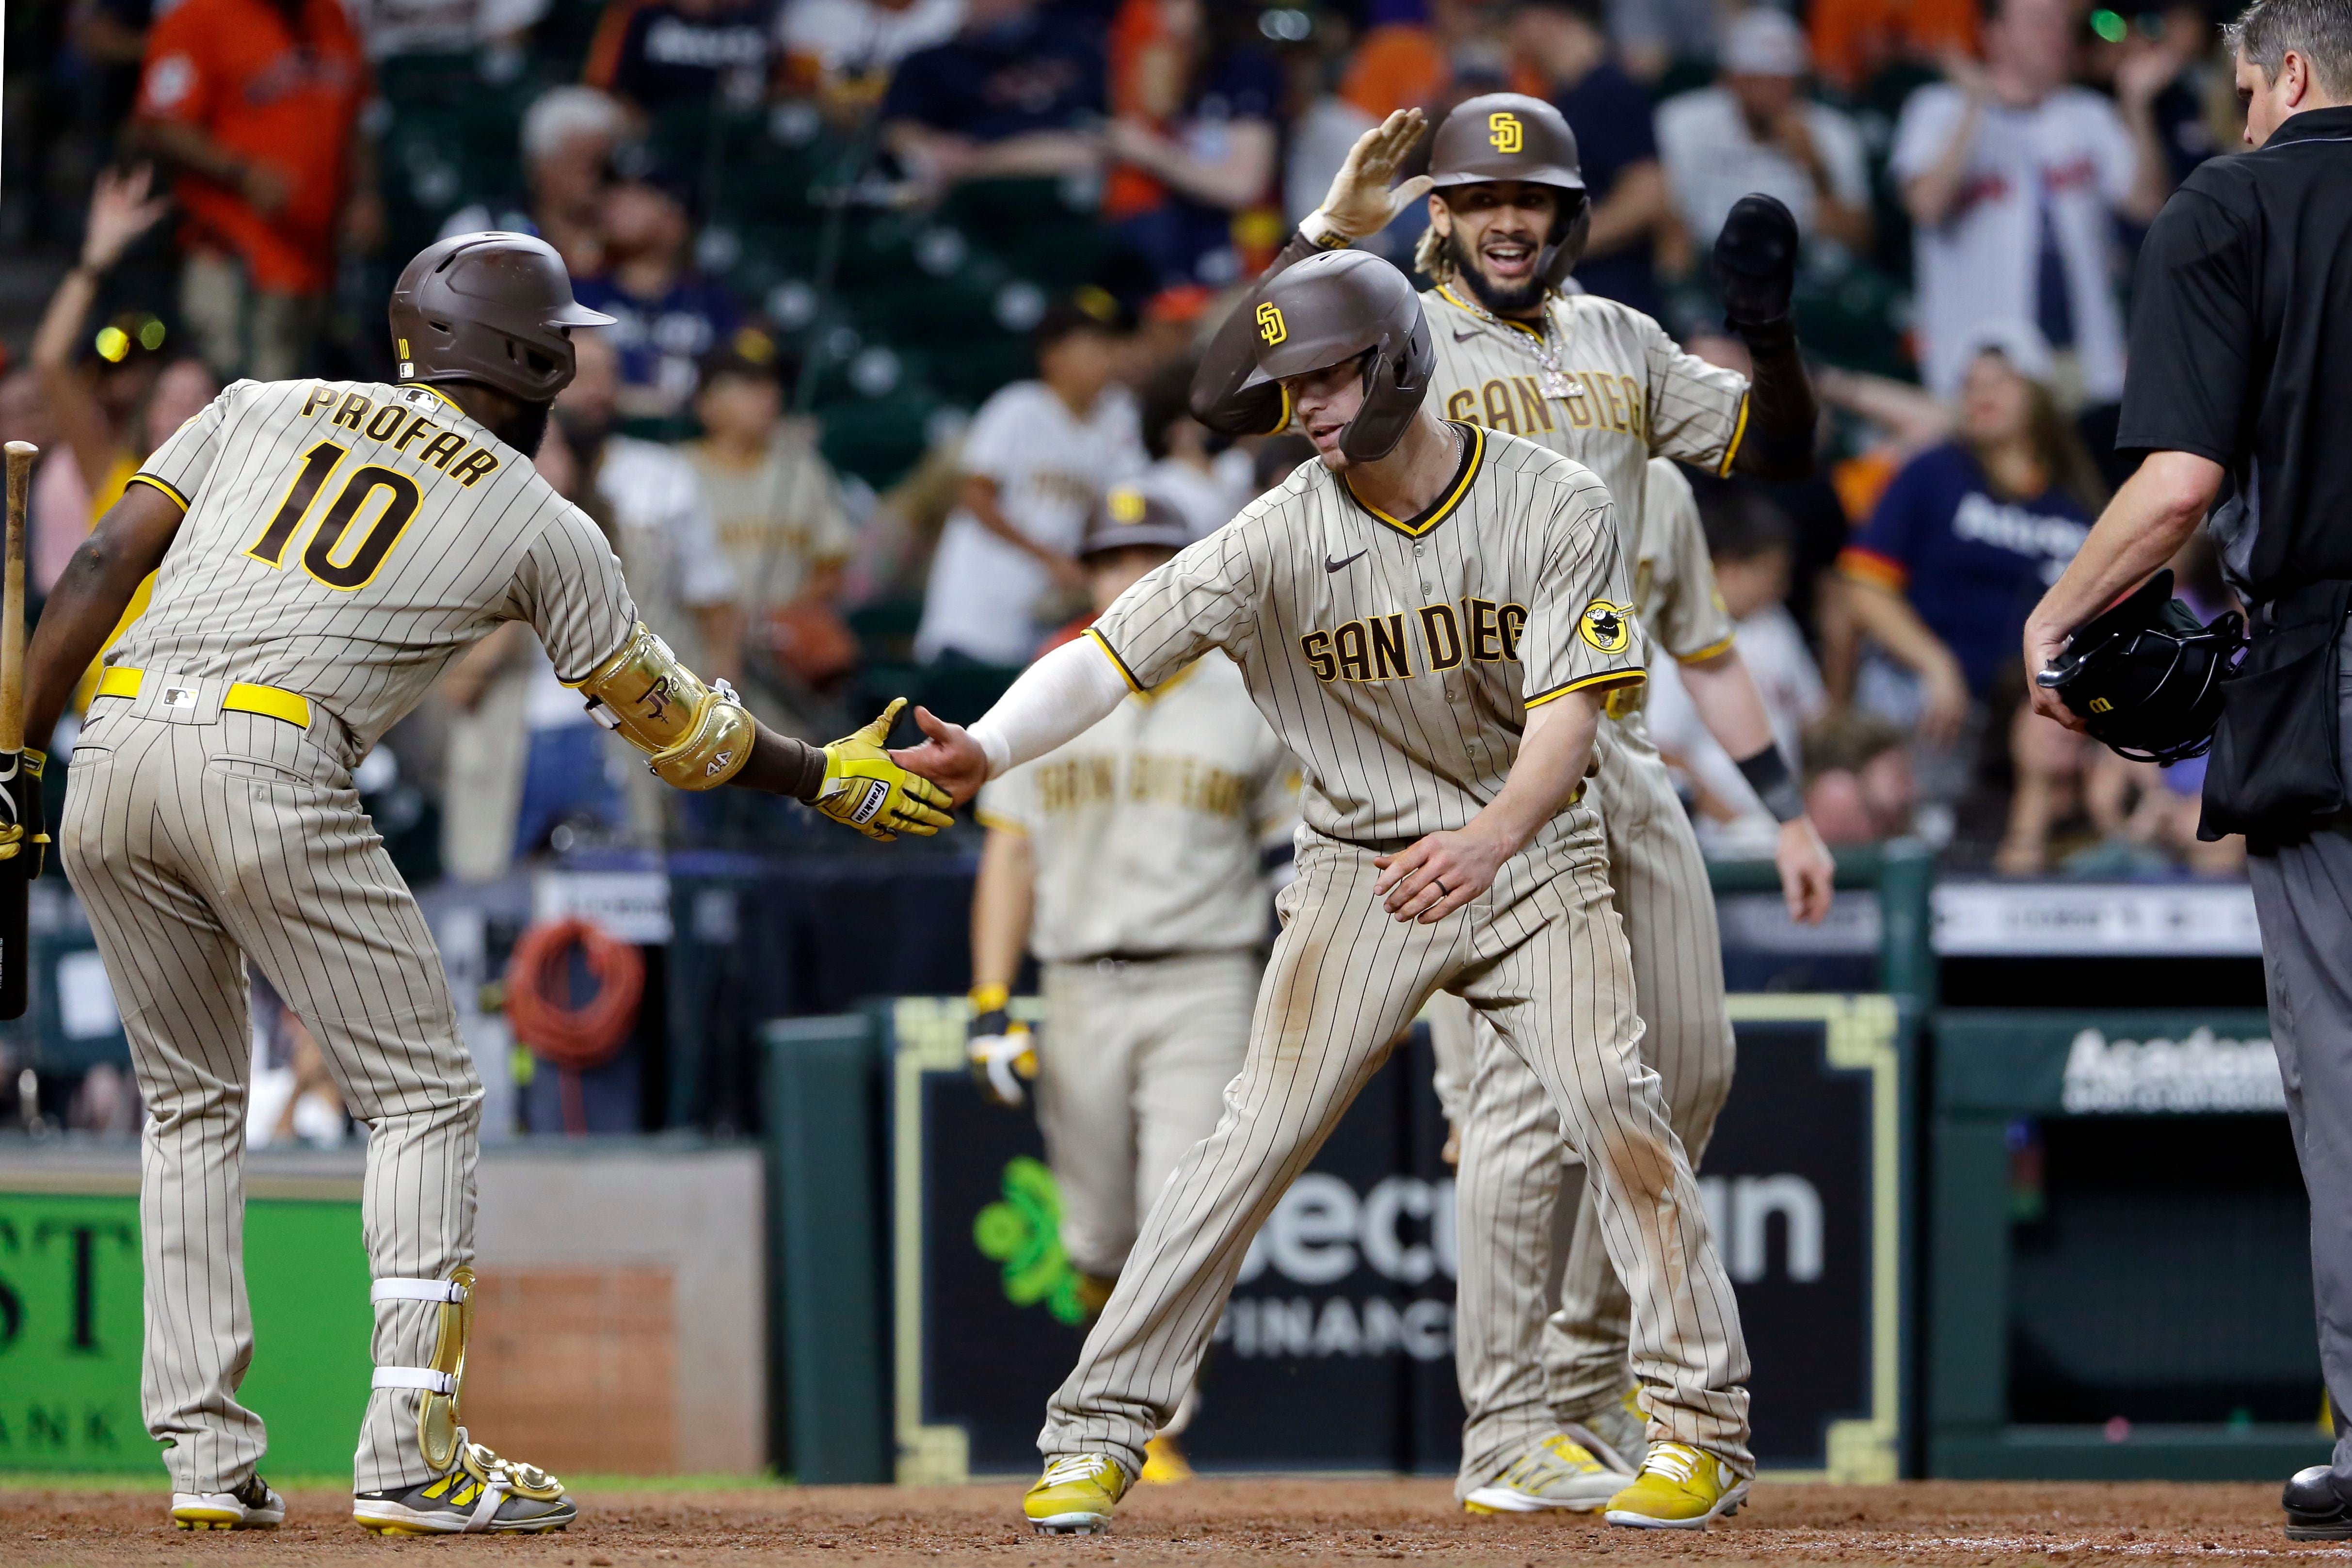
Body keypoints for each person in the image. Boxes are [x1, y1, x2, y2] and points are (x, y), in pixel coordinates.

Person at [20, 231, 949, 1535]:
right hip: (269, 756)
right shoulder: (538, 516)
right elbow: (676, 730)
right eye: (564, 340)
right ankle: (409, 1448)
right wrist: (821, 776)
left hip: (109, 741)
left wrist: (15, 753)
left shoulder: (259, 403)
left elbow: (97, 565)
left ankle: (202, 1455)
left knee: (187, 1104)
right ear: (534, 361)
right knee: (423, 1095)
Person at [899, 246, 1758, 1536]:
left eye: (1328, 371)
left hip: (1529, 852)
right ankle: (1093, 1432)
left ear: (1401, 358)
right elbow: (1110, 652)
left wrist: (1493, 835)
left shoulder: (1553, 500)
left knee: (1614, 1105)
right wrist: (989, 745)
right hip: (1361, 870)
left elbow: (1571, 718)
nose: (1304, 401)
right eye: (1289, 381)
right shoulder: (1272, 534)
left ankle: (1698, 1429)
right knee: (1243, 1145)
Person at [1191, 99, 1833, 1514]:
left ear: (1567, 212)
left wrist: (1773, 338)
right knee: (1521, 1111)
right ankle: (1512, 1427)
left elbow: (1776, 455)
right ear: (1438, 215)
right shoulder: (1388, 331)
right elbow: (1232, 396)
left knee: (1689, 1067)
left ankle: (1586, 1382)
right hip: (1469, 762)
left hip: (1616, 744)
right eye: (1481, 197)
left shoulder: (1621, 343)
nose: (1506, 218)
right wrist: (1327, 234)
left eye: (1531, 196)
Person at [2018, 4, 2352, 1536]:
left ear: (2284, 75)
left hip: (2334, 663)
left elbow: (2180, 485)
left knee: (2346, 1064)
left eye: (2240, 87)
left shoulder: (2238, 197)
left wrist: (2062, 609)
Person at [964, 486, 1297, 1485]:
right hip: (1075, 985)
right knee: (1097, 1227)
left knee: (1179, 1208)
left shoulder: (1246, 692)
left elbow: (1289, 849)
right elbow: (1009, 859)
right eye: (1113, 558)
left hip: (1205, 975)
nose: (1131, 574)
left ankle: (1148, 1427)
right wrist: (990, 1004)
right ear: (1088, 572)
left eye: (1152, 555)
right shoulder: (1048, 693)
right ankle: (1127, 1397)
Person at [1890, 0, 2176, 408]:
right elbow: (1925, 206)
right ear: (1995, 34)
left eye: (2062, 24)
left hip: (2084, 359)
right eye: (2041, 23)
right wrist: (1974, 107)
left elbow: (2147, 205)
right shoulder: (1938, 108)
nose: (2057, 36)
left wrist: (2135, 105)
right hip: (1977, 367)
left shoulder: (2087, 113)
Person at [1838, 325, 2103, 759]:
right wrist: (1934, 665)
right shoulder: (1931, 471)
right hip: (1925, 694)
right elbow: (1863, 585)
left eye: (2001, 380)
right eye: (1970, 384)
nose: (1983, 394)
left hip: (2032, 710)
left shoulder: (2074, 504)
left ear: (2038, 391)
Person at [129, 0, 375, 383]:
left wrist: (365, 194)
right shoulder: (197, 18)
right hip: (229, 251)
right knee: (232, 392)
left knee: (297, 399)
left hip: (314, 254)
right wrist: (240, 171)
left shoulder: (329, 16)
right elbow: (159, 125)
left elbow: (357, 116)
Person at [914, 297, 1143, 667]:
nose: (1105, 360)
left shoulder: (1114, 421)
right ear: (1052, 357)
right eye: (1091, 349)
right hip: (974, 614)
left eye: (1108, 348)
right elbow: (975, 495)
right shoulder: (1018, 408)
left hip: (1038, 625)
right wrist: (1047, 556)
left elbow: (1123, 503)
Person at [684, 335, 862, 733]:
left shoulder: (802, 469)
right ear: (706, 403)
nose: (768, 396)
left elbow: (832, 567)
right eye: (748, 386)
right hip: (696, 656)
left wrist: (780, 616)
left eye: (771, 384)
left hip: (781, 662)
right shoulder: (674, 472)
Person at [1645, 476, 1827, 859]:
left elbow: (1814, 723)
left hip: (1775, 825)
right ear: (1728, 567)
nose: (1780, 587)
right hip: (1707, 838)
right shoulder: (1673, 638)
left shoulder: (1775, 625)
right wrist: (1735, 823)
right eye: (1771, 573)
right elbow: (1662, 751)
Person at [1655, 10, 1872, 256]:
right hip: (1711, 262)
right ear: (1732, 80)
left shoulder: (1831, 131)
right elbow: (1668, 215)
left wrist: (1816, 170)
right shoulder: (1685, 120)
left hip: (1799, 268)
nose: (1772, 94)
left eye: (1783, 82)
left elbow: (1860, 238)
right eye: (1758, 81)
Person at [1100, 0, 1282, 288]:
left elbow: (1243, 186)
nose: (1160, 14)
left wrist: (1149, 152)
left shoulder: (1243, 66)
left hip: (1242, 248)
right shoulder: (1184, 65)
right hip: (1185, 237)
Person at [1507, 0, 1670, 319]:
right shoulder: (1566, 97)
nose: (1513, 35)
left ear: (1548, 18)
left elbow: (1647, 197)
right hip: (1576, 300)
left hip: (1614, 300)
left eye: (1517, 21)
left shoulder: (1611, 90)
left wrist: (1553, 249)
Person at [570, 165, 742, 424]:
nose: (614, 203)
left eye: (637, 196)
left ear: (676, 218)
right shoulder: (576, 292)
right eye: (615, 193)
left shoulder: (714, 302)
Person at [879, 0, 1105, 192]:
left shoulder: (1077, 51)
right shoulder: (930, 61)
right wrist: (929, 148)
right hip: (966, 200)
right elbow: (898, 130)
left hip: (1062, 188)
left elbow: (1106, 137)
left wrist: (981, 163)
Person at [583, 0, 777, 113]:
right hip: (651, 126)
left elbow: (785, 86)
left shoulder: (760, 15)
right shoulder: (643, 15)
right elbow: (608, 88)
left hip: (742, 131)